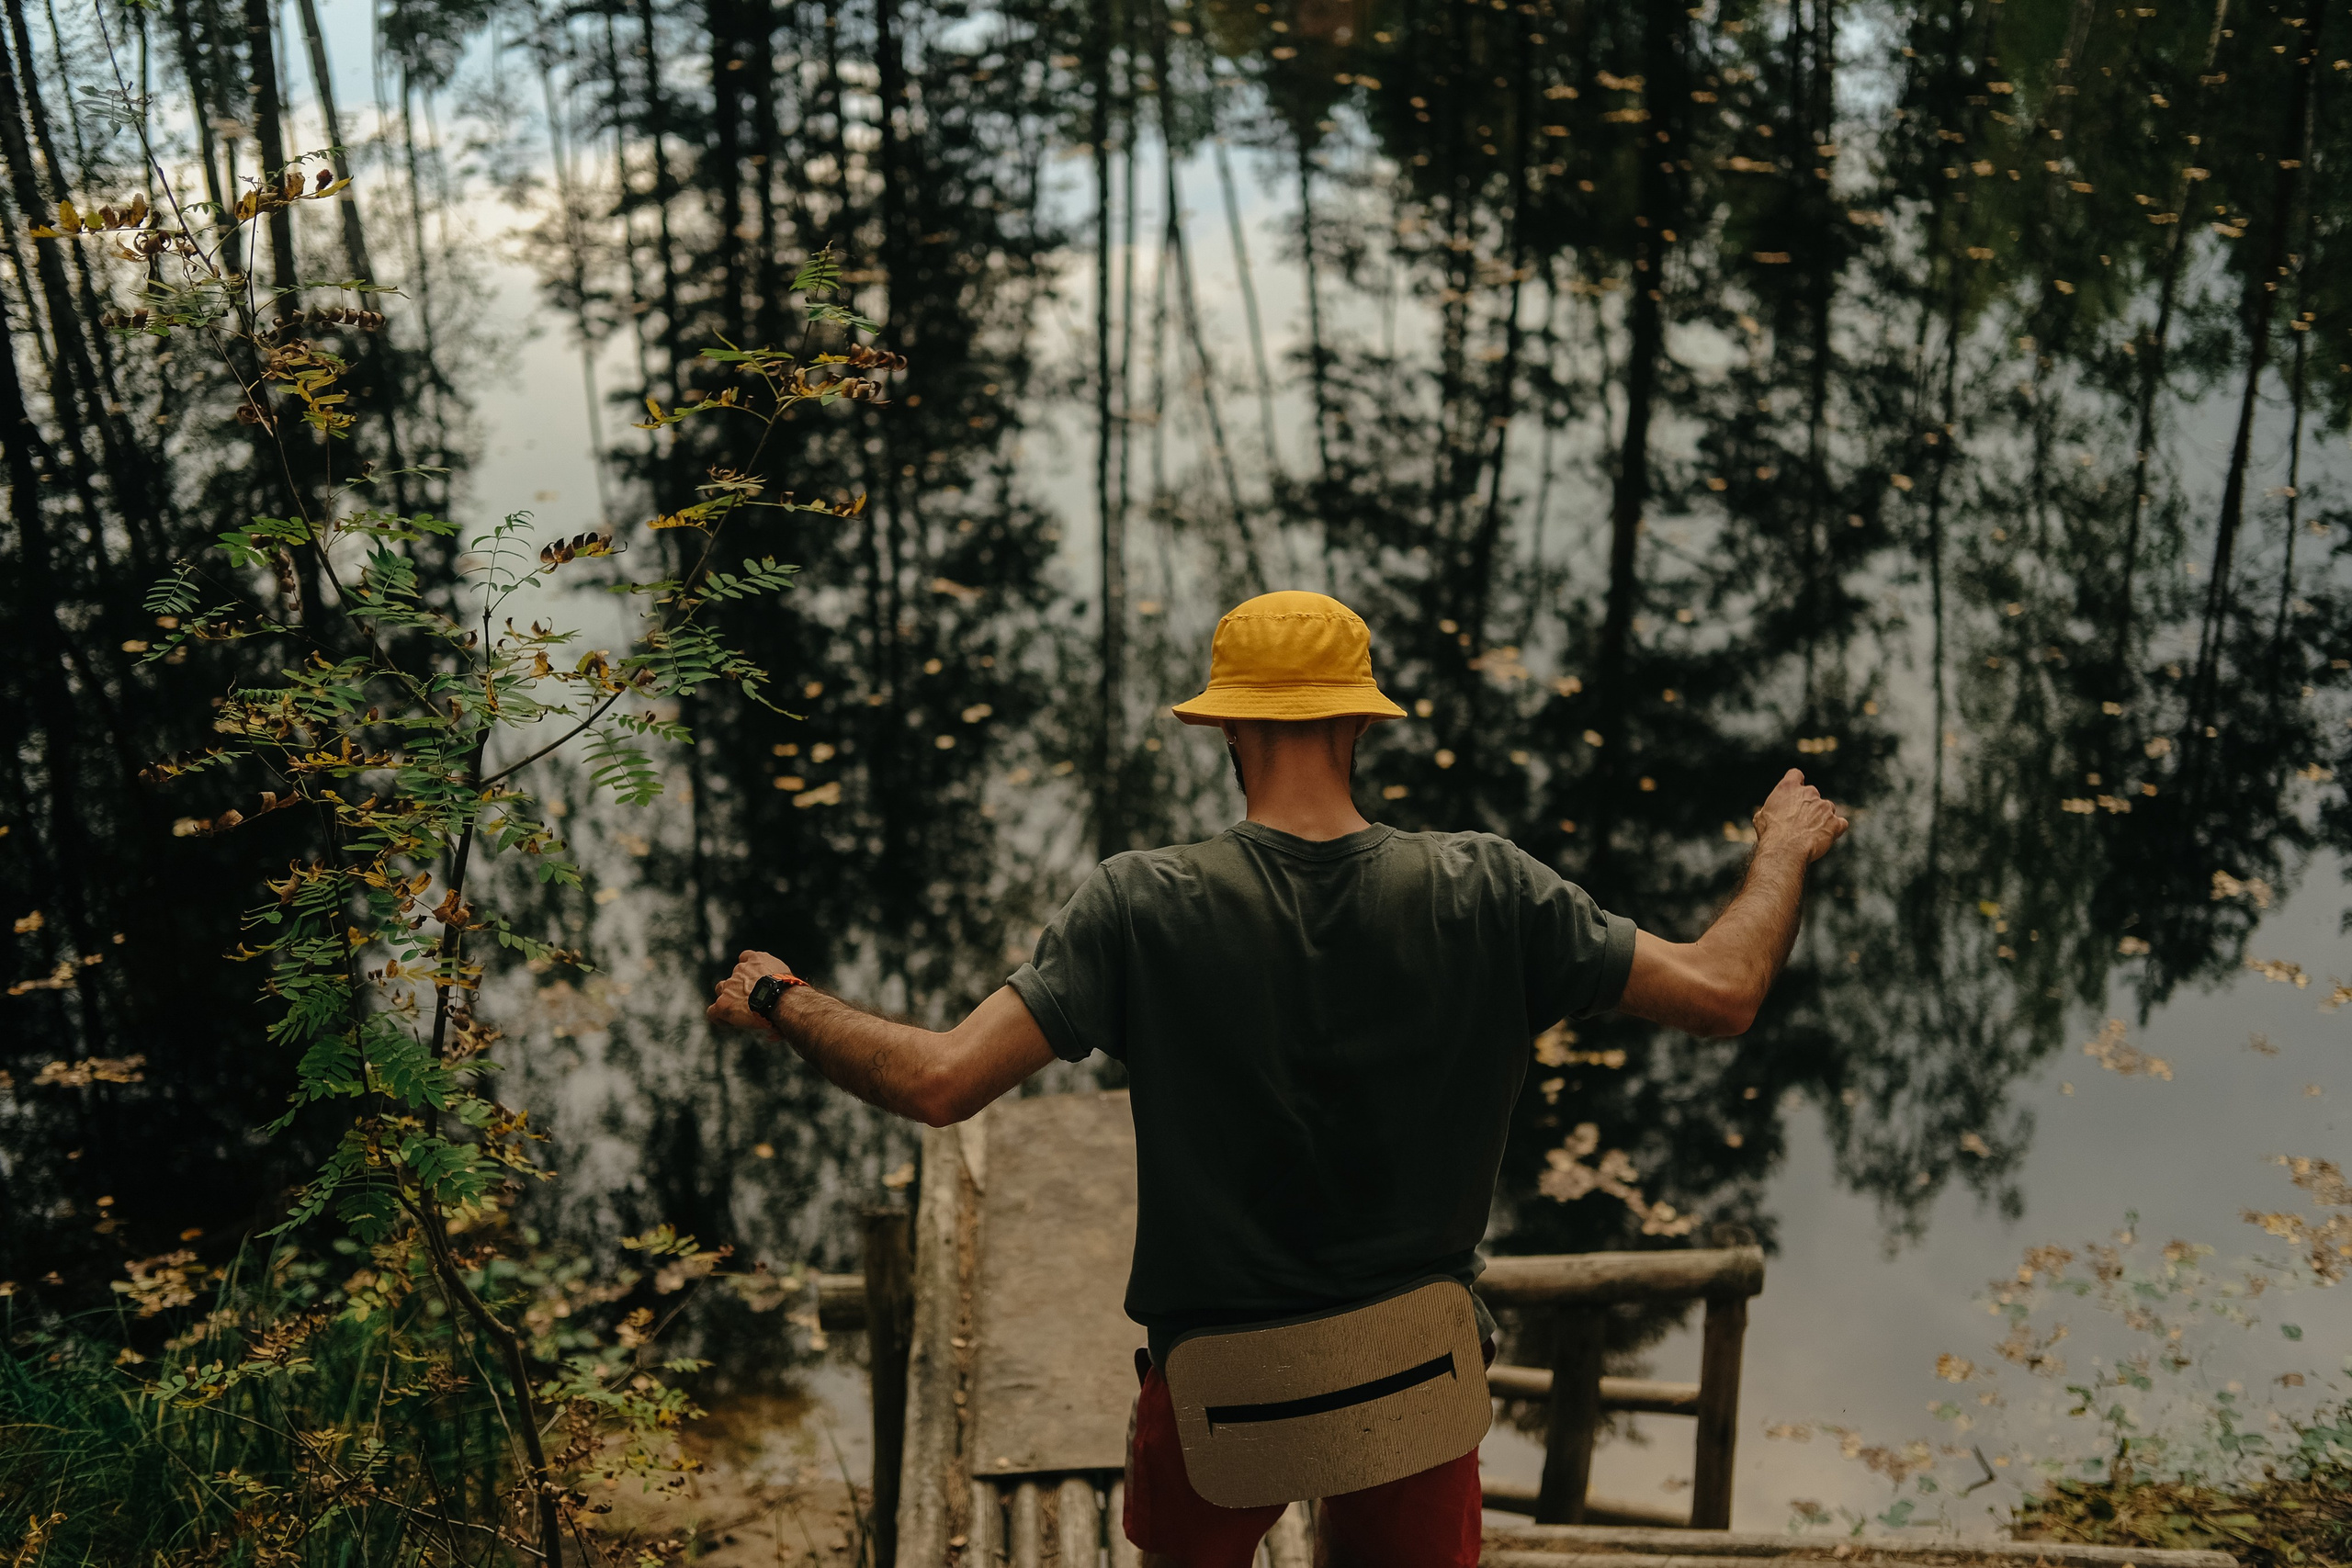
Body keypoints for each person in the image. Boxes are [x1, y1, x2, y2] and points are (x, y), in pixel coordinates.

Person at [707, 590, 1849, 1568]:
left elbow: (941, 1082)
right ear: (1359, 719)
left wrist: (778, 999)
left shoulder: (1140, 903)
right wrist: (1780, 851)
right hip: (1416, 1377)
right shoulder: (1489, 891)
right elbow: (1724, 989)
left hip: (1219, 1398)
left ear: (1226, 728)